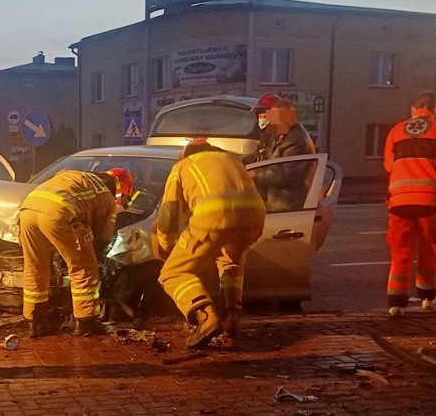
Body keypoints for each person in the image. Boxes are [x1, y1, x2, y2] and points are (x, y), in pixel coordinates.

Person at [154, 139, 265, 349]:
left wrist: (167, 246)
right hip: (254, 217)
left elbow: (169, 214)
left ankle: (206, 317)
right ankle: (231, 317)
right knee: (231, 263)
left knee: (172, 274)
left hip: (213, 215)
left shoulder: (183, 166)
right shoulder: (232, 161)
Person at [19, 167, 134, 337]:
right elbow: (103, 237)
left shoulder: (76, 175)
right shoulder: (107, 197)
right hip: (59, 213)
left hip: (27, 210)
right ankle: (85, 321)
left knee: (35, 266)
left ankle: (34, 322)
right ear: (121, 192)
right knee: (84, 267)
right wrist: (96, 257)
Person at [383, 92, 436, 316]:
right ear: (435, 110)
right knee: (429, 249)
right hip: (430, 199)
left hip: (399, 201)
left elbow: (389, 165)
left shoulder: (395, 131)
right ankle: (427, 298)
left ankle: (396, 303)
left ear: (413, 110)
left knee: (400, 252)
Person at [249, 94, 317, 211]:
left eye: (266, 115)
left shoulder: (298, 141)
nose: (263, 119)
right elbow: (259, 156)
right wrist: (232, 160)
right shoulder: (277, 134)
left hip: (287, 205)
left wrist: (256, 173)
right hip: (272, 201)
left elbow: (285, 174)